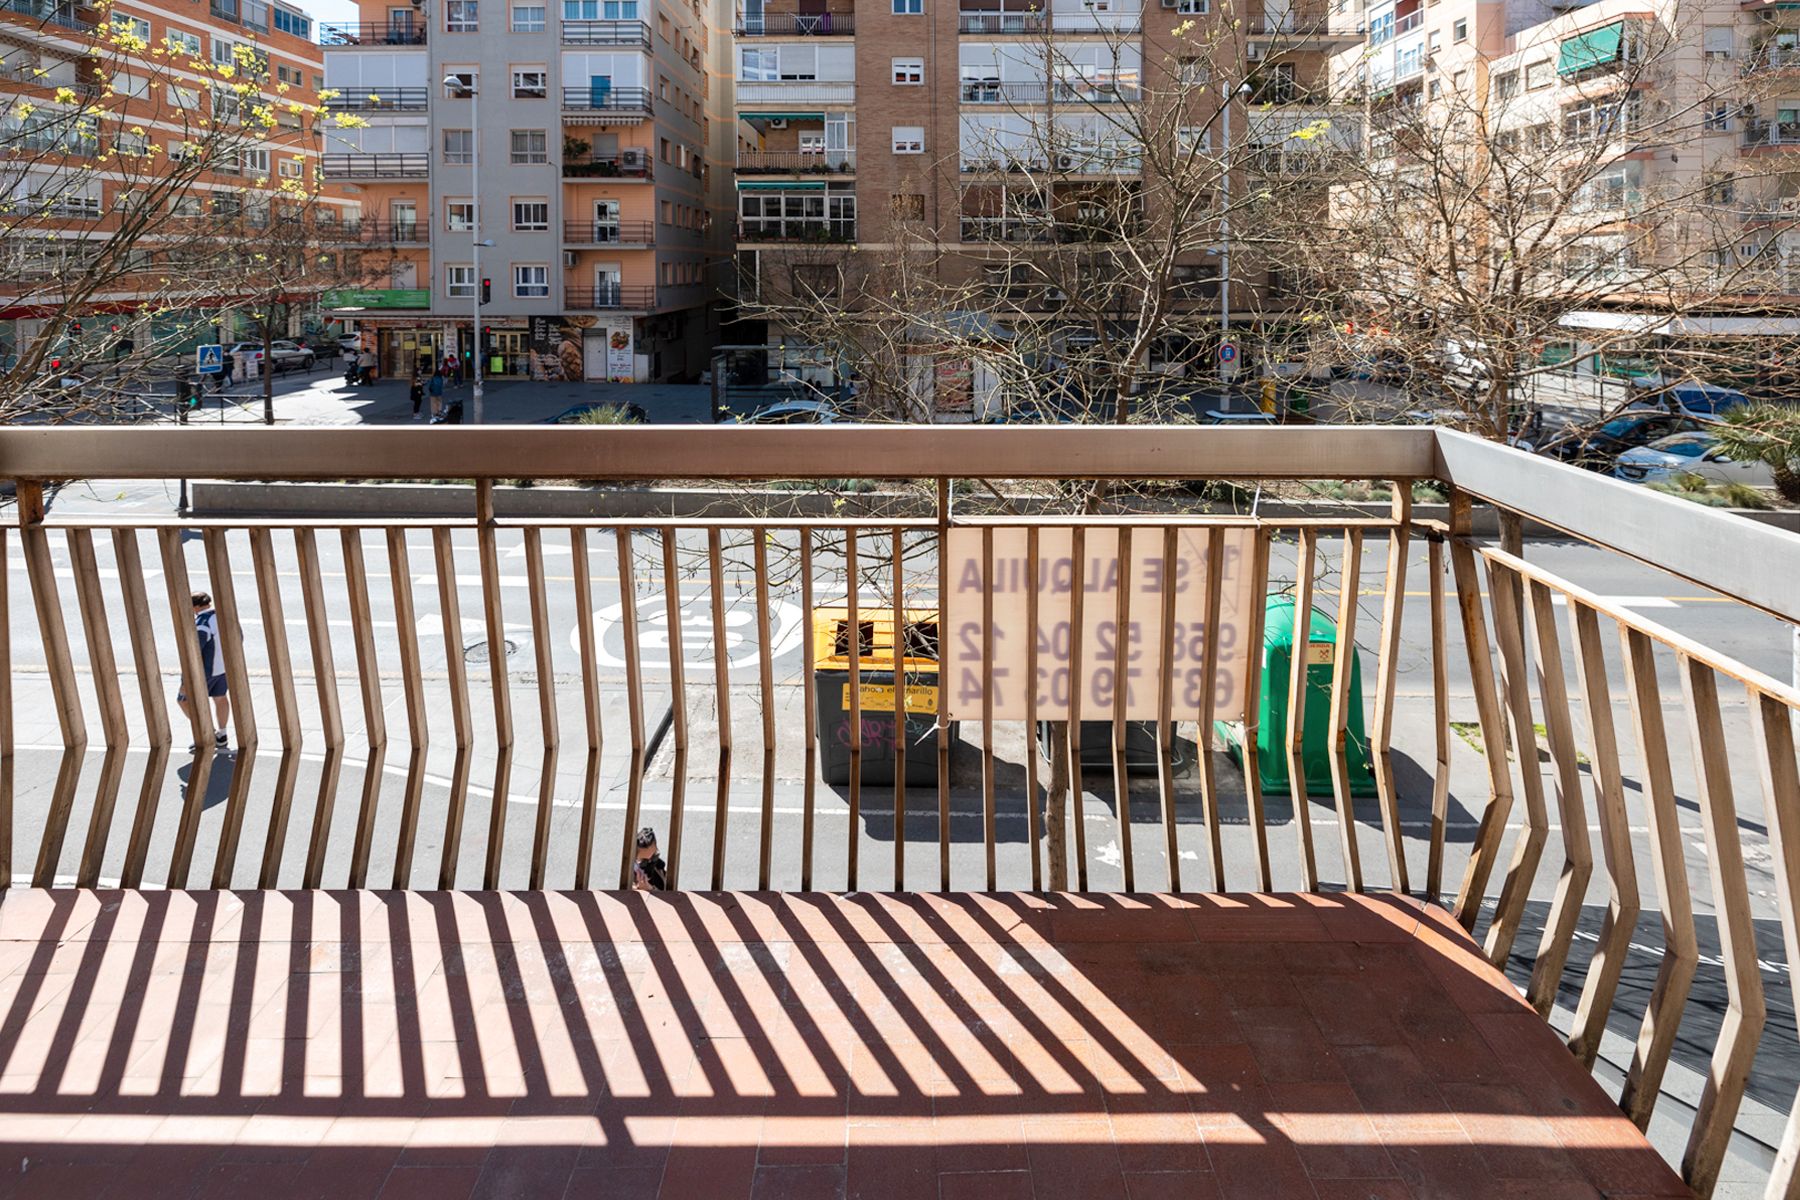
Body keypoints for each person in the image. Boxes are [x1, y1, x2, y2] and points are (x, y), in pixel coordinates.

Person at [175, 591, 229, 751]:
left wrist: (185, 682)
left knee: (183, 700)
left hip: (206, 672)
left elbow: (194, 653)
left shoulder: (201, 624)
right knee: (220, 698)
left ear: (196, 606)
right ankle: (222, 734)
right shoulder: (223, 617)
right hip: (223, 669)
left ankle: (207, 734)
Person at [631, 827, 666, 891]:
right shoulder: (629, 875)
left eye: (654, 857)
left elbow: (668, 896)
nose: (650, 862)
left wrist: (650, 889)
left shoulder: (659, 868)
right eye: (644, 861)